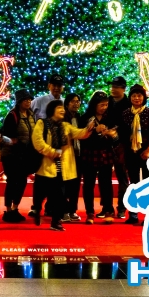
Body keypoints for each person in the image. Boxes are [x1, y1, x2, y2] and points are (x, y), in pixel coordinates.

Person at [32, 99, 93, 231]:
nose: (62, 110)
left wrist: (89, 128)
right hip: (46, 166)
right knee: (40, 194)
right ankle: (36, 209)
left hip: (61, 168)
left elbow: (80, 133)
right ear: (52, 110)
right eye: (59, 108)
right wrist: (53, 152)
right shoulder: (42, 123)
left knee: (59, 196)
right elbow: (38, 142)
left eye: (63, 108)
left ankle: (56, 221)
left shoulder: (65, 126)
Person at [121, 84, 149, 225]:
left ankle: (148, 216)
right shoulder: (126, 113)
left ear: (143, 98)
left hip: (148, 152)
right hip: (132, 153)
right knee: (134, 184)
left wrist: (148, 150)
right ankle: (133, 215)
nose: (136, 98)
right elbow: (123, 134)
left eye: (139, 95)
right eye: (134, 95)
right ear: (130, 98)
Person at [79, 91, 117, 225]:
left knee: (106, 183)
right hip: (89, 153)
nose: (104, 107)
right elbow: (81, 138)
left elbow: (116, 137)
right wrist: (94, 131)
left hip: (106, 153)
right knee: (88, 184)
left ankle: (108, 210)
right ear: (94, 105)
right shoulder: (85, 118)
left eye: (106, 105)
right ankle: (89, 212)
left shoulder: (110, 117)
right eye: (101, 105)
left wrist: (111, 134)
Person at [1, 88, 36, 222]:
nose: (28, 102)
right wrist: (15, 141)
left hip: (25, 155)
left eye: (29, 99)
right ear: (19, 102)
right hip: (12, 155)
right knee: (12, 181)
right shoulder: (12, 115)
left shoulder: (31, 115)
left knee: (22, 181)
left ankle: (15, 208)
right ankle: (8, 210)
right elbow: (5, 136)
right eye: (25, 100)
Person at [106, 76, 130, 220]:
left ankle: (121, 208)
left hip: (122, 145)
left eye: (116, 87)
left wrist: (116, 131)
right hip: (105, 144)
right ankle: (107, 208)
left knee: (122, 178)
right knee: (105, 178)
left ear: (123, 89)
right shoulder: (107, 101)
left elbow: (129, 126)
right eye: (112, 86)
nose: (113, 89)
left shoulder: (128, 104)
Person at [61, 92, 83, 222]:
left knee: (75, 184)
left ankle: (72, 210)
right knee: (64, 184)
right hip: (66, 155)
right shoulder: (63, 118)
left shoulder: (80, 117)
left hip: (78, 155)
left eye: (78, 101)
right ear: (67, 104)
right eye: (73, 101)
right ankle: (64, 211)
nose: (76, 104)